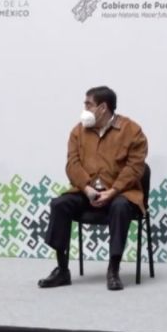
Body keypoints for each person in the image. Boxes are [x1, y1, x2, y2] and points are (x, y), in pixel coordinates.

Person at [38, 86, 148, 291]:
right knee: (60, 204)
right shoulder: (78, 131)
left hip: (120, 193)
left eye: (88, 104)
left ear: (102, 108)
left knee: (121, 207)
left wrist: (113, 190)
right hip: (86, 192)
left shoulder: (132, 131)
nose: (84, 109)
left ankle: (113, 270)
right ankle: (62, 270)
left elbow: (135, 167)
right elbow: (72, 164)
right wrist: (87, 188)